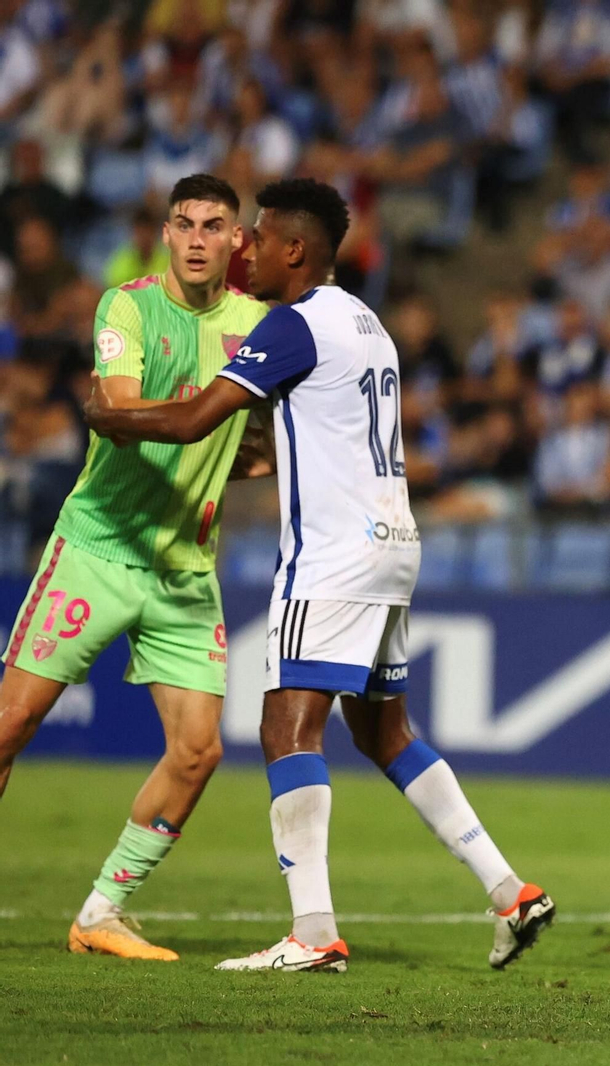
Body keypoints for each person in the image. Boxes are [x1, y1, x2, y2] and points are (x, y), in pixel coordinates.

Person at [82, 178, 555, 973]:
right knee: (385, 733)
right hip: (393, 543)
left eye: (260, 238)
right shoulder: (366, 321)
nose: (246, 249)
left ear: (295, 250)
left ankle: (312, 932)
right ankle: (510, 891)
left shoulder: (293, 326)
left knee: (285, 730)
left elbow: (193, 419)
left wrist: (109, 416)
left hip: (332, 556)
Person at [0, 174, 268, 962]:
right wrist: (197, 425)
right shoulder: (128, 306)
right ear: (166, 233)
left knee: (199, 752)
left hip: (185, 569)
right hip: (97, 547)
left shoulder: (256, 325)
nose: (195, 238)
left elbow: (250, 433)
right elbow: (116, 411)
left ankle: (101, 913)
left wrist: (237, 454)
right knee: (10, 724)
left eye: (212, 225)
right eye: (183, 223)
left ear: (236, 240)